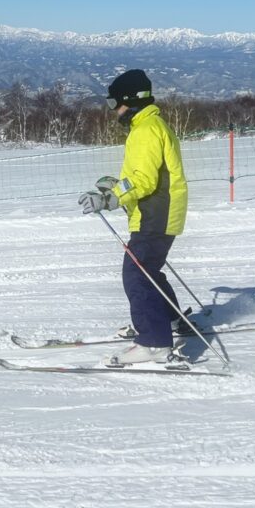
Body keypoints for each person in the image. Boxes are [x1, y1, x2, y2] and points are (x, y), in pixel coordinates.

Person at [77, 69, 189, 367]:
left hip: (156, 213)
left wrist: (109, 198)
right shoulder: (150, 124)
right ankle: (171, 322)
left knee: (137, 273)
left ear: (131, 100)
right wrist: (115, 184)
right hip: (157, 211)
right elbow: (144, 174)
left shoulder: (145, 130)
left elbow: (144, 179)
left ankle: (154, 342)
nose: (114, 110)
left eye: (115, 103)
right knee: (148, 270)